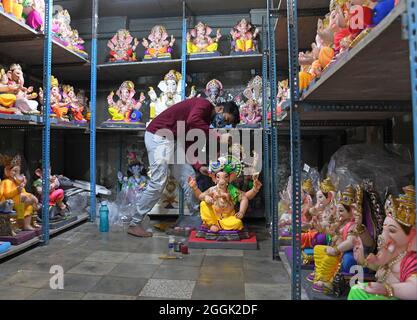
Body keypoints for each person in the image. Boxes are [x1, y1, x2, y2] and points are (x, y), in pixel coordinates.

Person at [128, 97, 240, 237]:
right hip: (159, 135)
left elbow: (188, 145)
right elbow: (192, 120)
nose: (223, 124)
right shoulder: (204, 104)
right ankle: (135, 223)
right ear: (220, 109)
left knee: (189, 179)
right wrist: (218, 136)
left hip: (172, 141)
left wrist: (199, 166)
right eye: (226, 119)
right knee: (158, 182)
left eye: (227, 124)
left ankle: (199, 219)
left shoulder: (203, 122)